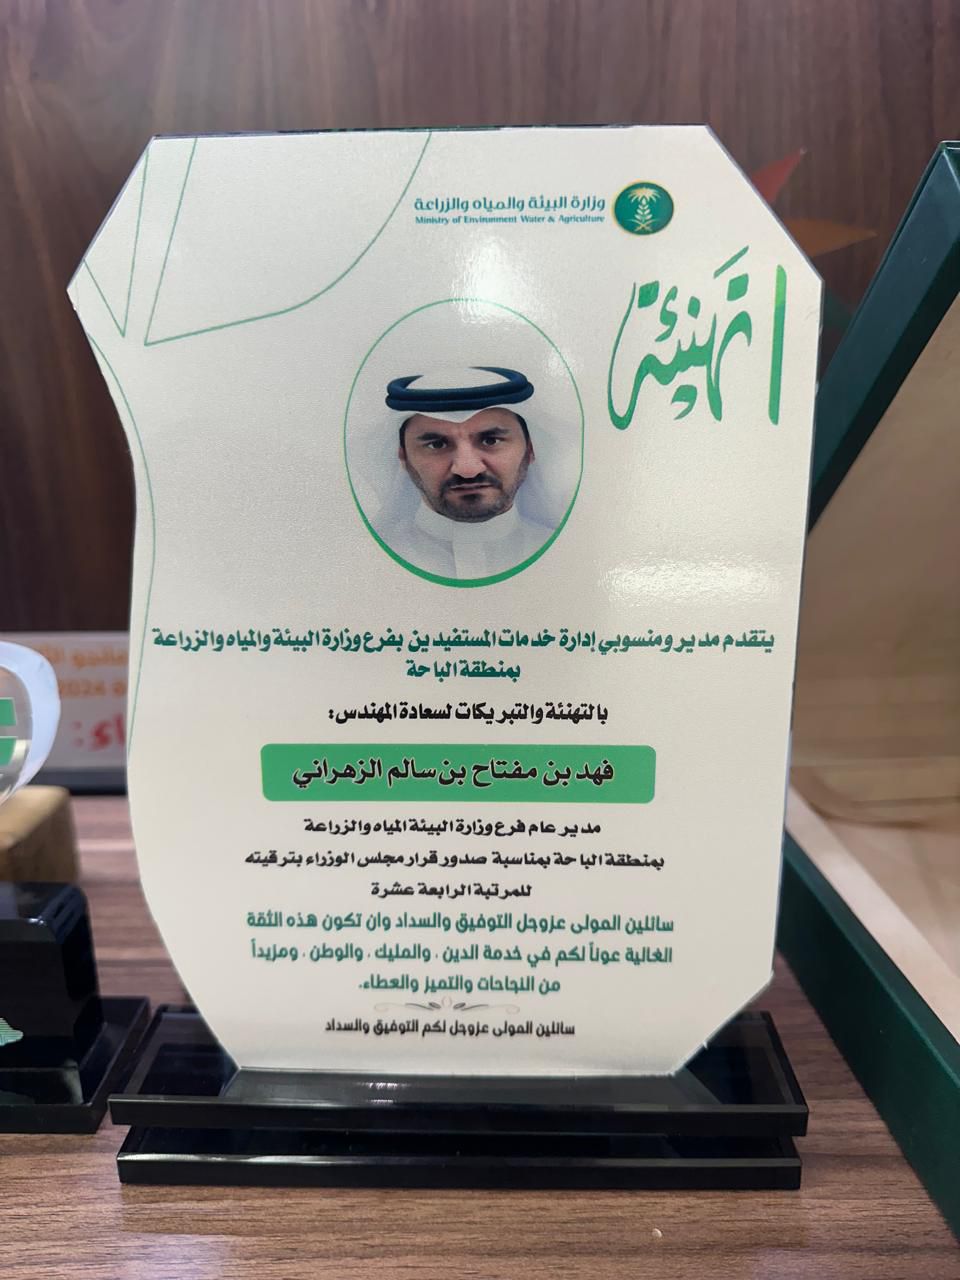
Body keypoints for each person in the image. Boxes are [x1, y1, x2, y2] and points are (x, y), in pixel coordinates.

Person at [380, 366, 554, 578]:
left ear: (530, 450)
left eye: (490, 441)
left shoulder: (568, 555)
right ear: (404, 457)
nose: (468, 470)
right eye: (437, 445)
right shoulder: (369, 561)